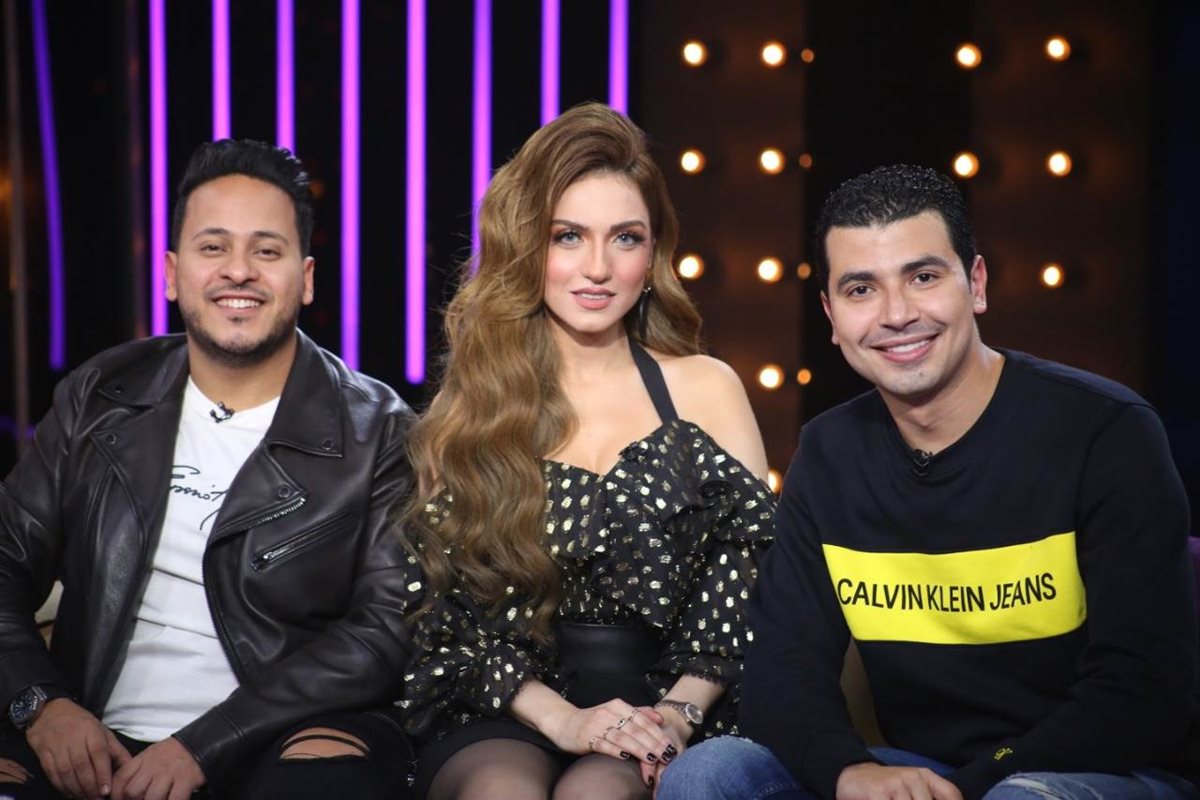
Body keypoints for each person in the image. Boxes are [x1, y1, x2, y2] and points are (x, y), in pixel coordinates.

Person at [659, 164, 1199, 800]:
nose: (896, 314)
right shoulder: (829, 453)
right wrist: (850, 771)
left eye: (922, 277)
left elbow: (1144, 688)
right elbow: (784, 671)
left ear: (976, 284)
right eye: (861, 289)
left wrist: (977, 786)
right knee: (708, 773)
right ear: (831, 315)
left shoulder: (1106, 430)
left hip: (1101, 770)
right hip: (921, 768)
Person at [0, 139, 419, 800]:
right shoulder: (100, 395)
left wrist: (205, 744)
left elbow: (383, 631)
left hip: (274, 738)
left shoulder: (379, 430)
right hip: (90, 733)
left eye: (267, 251)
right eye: (213, 246)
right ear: (173, 273)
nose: (239, 271)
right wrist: (42, 705)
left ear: (306, 278)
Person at [397, 102, 775, 800]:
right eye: (567, 237)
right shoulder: (476, 403)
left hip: (669, 703)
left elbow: (748, 585)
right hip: (510, 701)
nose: (597, 268)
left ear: (652, 255)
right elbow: (441, 612)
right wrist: (564, 720)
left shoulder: (706, 388)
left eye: (625, 238)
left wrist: (678, 714)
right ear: (527, 248)